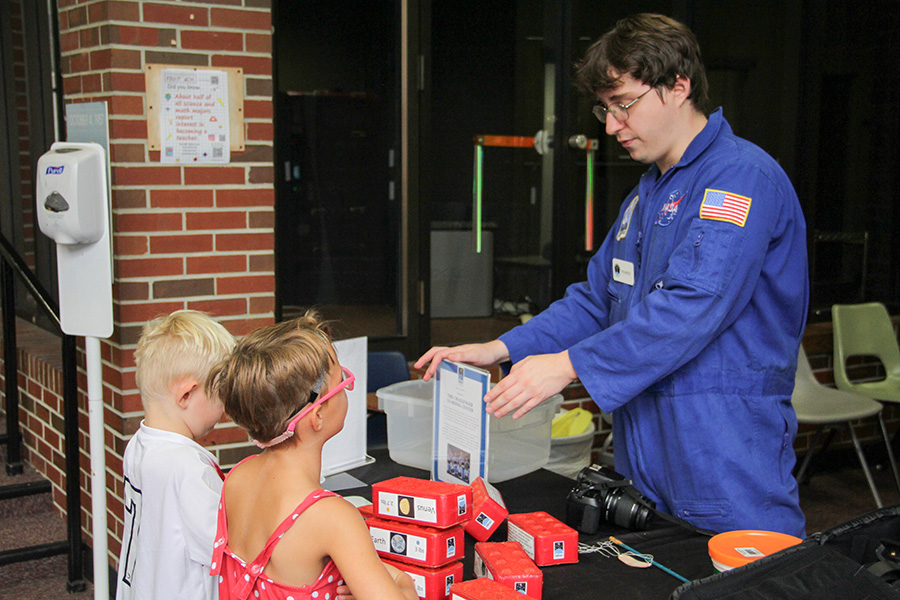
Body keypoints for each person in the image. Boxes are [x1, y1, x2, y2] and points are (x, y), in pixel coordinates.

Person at [416, 13, 808, 537]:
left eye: (624, 104)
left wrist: (567, 365)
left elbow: (690, 307)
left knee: (749, 576)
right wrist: (503, 348)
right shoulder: (645, 195)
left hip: (724, 444)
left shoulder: (739, 179)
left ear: (678, 87)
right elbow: (596, 300)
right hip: (649, 446)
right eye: (605, 108)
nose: (610, 125)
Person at [208, 314, 418, 600]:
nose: (346, 385)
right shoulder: (332, 517)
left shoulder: (236, 478)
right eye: (341, 379)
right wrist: (403, 586)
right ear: (317, 414)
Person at [116, 310, 236, 600]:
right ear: (186, 395)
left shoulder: (139, 444)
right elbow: (227, 548)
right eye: (221, 394)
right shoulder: (187, 469)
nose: (225, 409)